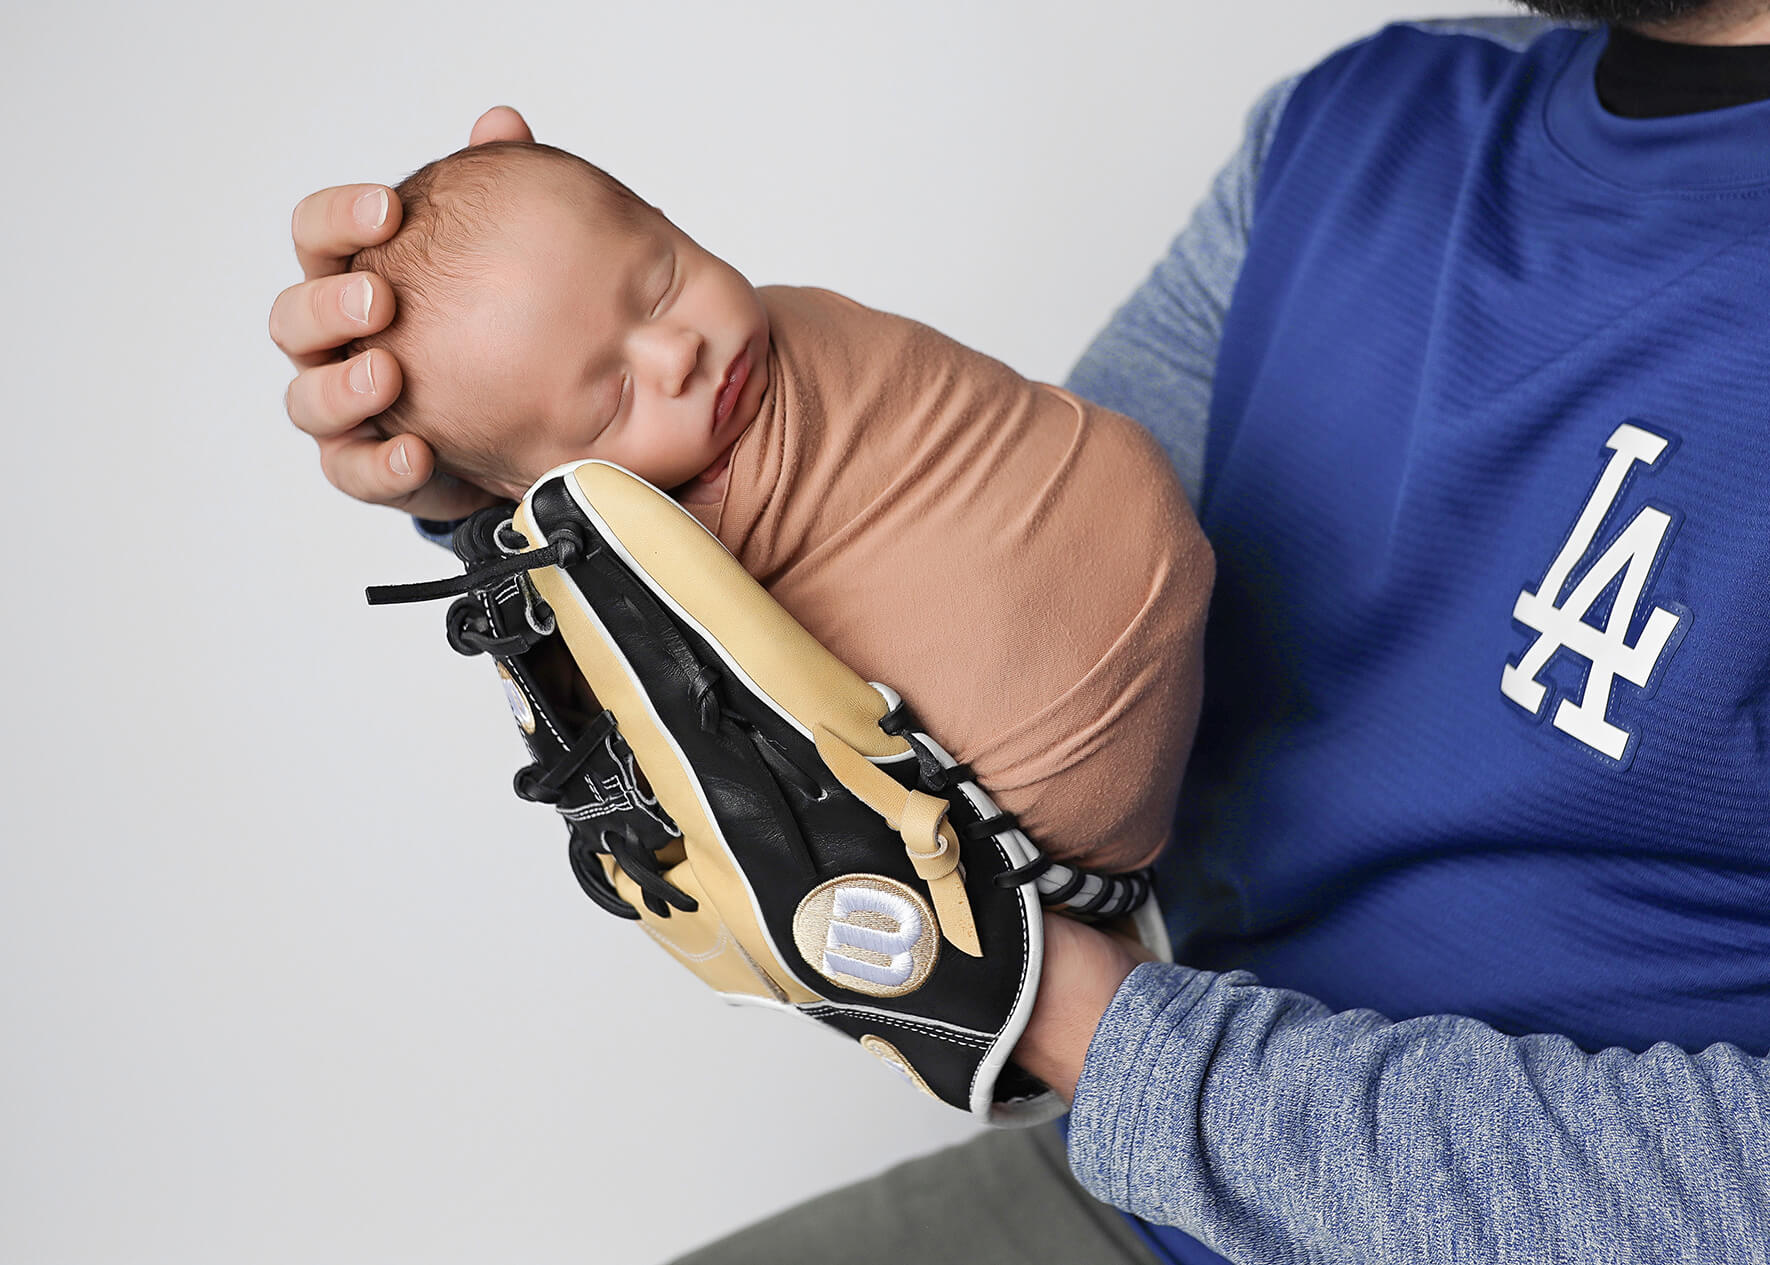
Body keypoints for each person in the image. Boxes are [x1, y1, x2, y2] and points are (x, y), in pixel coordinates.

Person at [270, 2, 1770, 1260]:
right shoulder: (1352, 128)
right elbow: (969, 609)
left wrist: (1074, 1022)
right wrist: (516, 478)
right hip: (1156, 1176)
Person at [339, 139, 1212, 875]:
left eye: (660, 285)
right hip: (1109, 636)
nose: (677, 353)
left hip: (1060, 726)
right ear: (538, 486)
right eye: (612, 398)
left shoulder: (756, 409)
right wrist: (471, 524)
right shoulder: (653, 510)